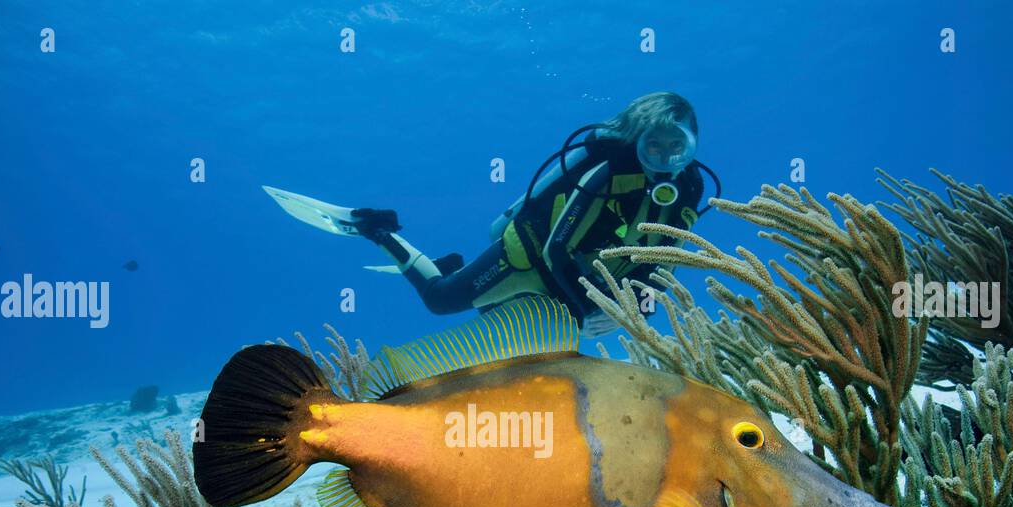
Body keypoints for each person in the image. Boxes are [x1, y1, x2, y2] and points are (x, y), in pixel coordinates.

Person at [270, 92, 721, 334]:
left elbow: (663, 260)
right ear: (637, 141)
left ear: (693, 144)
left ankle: (453, 265)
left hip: (580, 276)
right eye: (653, 145)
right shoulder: (607, 173)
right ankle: (377, 229)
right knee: (440, 302)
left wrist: (636, 310)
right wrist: (589, 309)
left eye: (677, 146)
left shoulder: (690, 186)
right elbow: (557, 247)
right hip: (530, 258)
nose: (665, 158)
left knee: (494, 320)